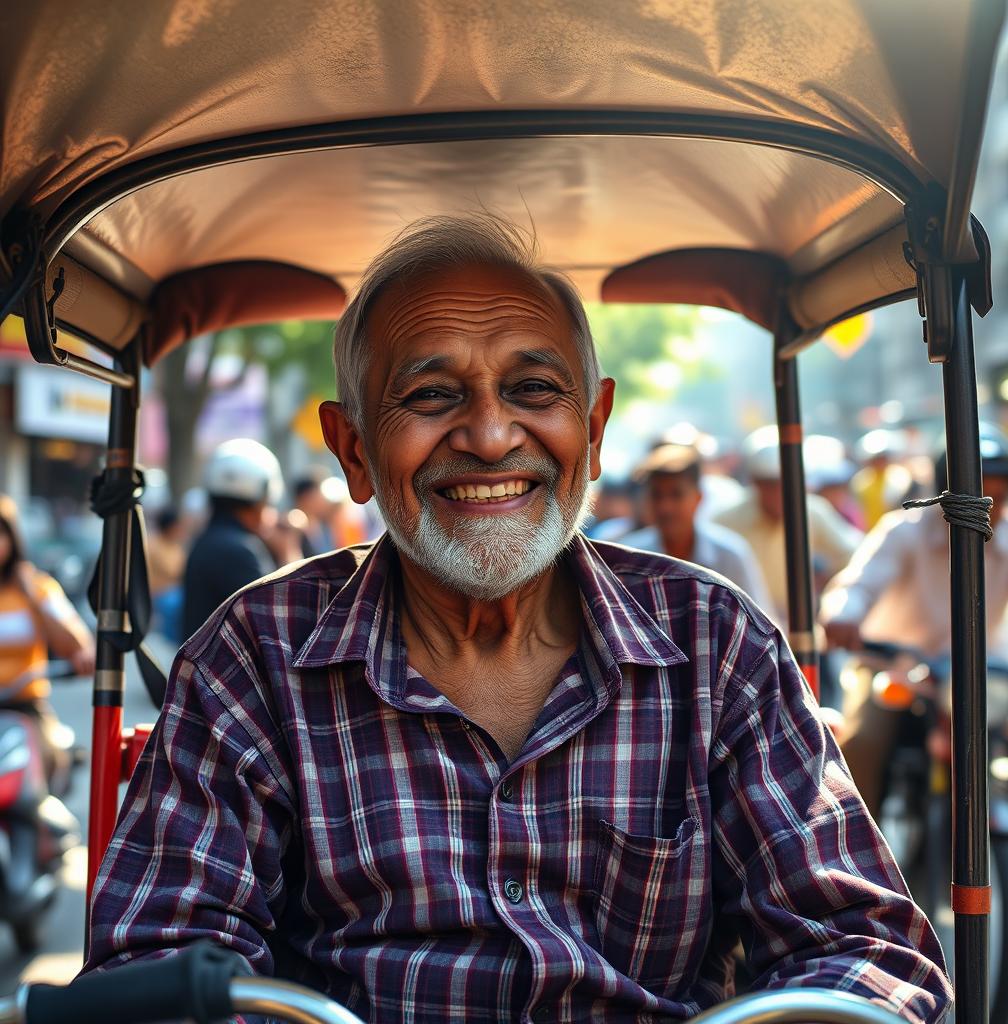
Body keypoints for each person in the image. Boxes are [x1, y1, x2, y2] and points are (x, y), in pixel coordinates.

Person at [85, 214, 950, 1023]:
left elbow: (864, 951)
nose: (492, 435)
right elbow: (158, 963)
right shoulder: (256, 658)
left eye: (534, 388)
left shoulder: (715, 646)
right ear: (353, 449)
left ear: (595, 427)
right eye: (431, 396)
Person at [819, 428, 1008, 815]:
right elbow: (858, 585)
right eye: (980, 495)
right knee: (862, 742)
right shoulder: (904, 530)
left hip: (977, 672)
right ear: (948, 491)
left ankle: (998, 799)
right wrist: (843, 615)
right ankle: (858, 841)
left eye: (998, 496)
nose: (989, 509)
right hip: (894, 667)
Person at [713, 427, 864, 620]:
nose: (779, 493)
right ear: (755, 483)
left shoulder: (811, 511)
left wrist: (831, 589)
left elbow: (856, 557)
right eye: (770, 484)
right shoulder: (726, 520)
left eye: (785, 483)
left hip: (801, 623)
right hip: (742, 626)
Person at [0, 494, 95, 780]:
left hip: (24, 708)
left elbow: (77, 646)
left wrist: (33, 598)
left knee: (49, 768)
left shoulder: (38, 586)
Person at [619, 443, 775, 616]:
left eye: (676, 494)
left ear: (698, 498)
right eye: (657, 495)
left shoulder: (729, 555)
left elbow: (759, 621)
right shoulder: (631, 557)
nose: (665, 507)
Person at [181, 438, 284, 640]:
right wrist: (288, 552)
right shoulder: (239, 550)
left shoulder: (211, 540)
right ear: (262, 497)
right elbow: (281, 623)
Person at [147, 505, 187, 643]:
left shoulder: (174, 545)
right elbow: (174, 572)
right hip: (160, 593)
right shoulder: (153, 545)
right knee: (177, 605)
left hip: (173, 591)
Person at [291, 466, 336, 558]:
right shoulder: (294, 523)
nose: (323, 500)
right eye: (319, 495)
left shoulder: (323, 524)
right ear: (306, 498)